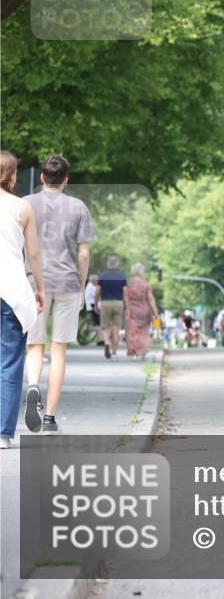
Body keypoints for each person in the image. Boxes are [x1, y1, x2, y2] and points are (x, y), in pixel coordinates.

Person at [24, 155, 97, 435]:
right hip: (67, 283)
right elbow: (84, 252)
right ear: (66, 180)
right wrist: (81, 286)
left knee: (35, 345)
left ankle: (33, 385)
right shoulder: (78, 207)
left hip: (34, 283)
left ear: (42, 178)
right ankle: (51, 418)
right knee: (59, 350)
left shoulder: (26, 204)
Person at [1, 151, 45, 449]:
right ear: (13, 175)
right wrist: (40, 287)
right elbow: (34, 254)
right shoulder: (23, 207)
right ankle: (3, 433)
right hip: (12, 290)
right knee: (10, 362)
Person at [95, 255, 128, 359]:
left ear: (108, 264)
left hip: (105, 303)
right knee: (116, 329)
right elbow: (125, 293)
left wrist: (96, 303)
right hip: (118, 303)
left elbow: (98, 291)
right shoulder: (121, 276)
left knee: (104, 327)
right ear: (117, 264)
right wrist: (127, 306)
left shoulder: (102, 275)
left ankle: (106, 342)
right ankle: (114, 352)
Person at [124, 263, 158, 359]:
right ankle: (142, 350)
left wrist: (127, 307)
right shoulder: (146, 284)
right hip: (144, 309)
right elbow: (150, 298)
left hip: (132, 308)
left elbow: (125, 296)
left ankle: (133, 352)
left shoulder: (128, 283)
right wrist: (155, 311)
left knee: (132, 330)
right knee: (143, 331)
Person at [84, 274, 102, 345]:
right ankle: (100, 339)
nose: (97, 281)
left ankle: (99, 339)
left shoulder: (92, 286)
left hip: (93, 305)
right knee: (98, 324)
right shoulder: (90, 287)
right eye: (96, 280)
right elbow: (96, 296)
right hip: (92, 306)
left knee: (98, 323)